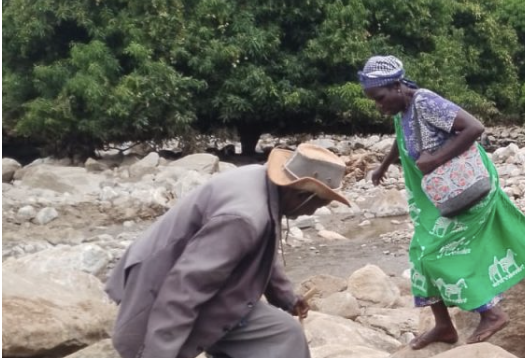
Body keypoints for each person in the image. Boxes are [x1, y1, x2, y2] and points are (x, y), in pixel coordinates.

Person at [359, 55, 525, 349]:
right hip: (437, 194)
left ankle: (491, 313)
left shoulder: (425, 101)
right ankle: (444, 326)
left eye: (380, 97)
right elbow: (403, 137)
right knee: (419, 254)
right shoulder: (404, 109)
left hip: (463, 190)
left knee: (438, 254)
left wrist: (436, 158)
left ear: (397, 86)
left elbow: (474, 127)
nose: (378, 104)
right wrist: (385, 165)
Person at [105, 144, 352, 358]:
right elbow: (184, 289)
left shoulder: (264, 183)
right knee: (281, 337)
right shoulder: (244, 218)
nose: (313, 213)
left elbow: (263, 249)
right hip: (158, 285)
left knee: (284, 332)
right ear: (300, 195)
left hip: (194, 278)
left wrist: (286, 297)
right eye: (318, 205)